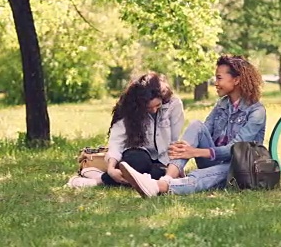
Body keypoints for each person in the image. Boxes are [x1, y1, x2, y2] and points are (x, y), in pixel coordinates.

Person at [119, 55, 266, 197]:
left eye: (219, 78)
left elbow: (233, 150)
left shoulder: (256, 112)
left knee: (199, 175)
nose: (215, 82)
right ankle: (168, 177)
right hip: (213, 159)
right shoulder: (222, 104)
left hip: (238, 168)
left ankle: (158, 186)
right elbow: (203, 131)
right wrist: (182, 149)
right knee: (196, 125)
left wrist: (194, 152)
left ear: (236, 80)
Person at [67, 72, 184, 188]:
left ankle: (100, 179)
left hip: (162, 159)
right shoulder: (128, 108)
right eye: (148, 108)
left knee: (158, 174)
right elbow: (116, 142)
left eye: (158, 106)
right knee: (138, 163)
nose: (154, 110)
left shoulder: (174, 104)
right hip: (138, 154)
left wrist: (175, 166)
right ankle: (101, 179)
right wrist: (111, 169)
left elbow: (174, 140)